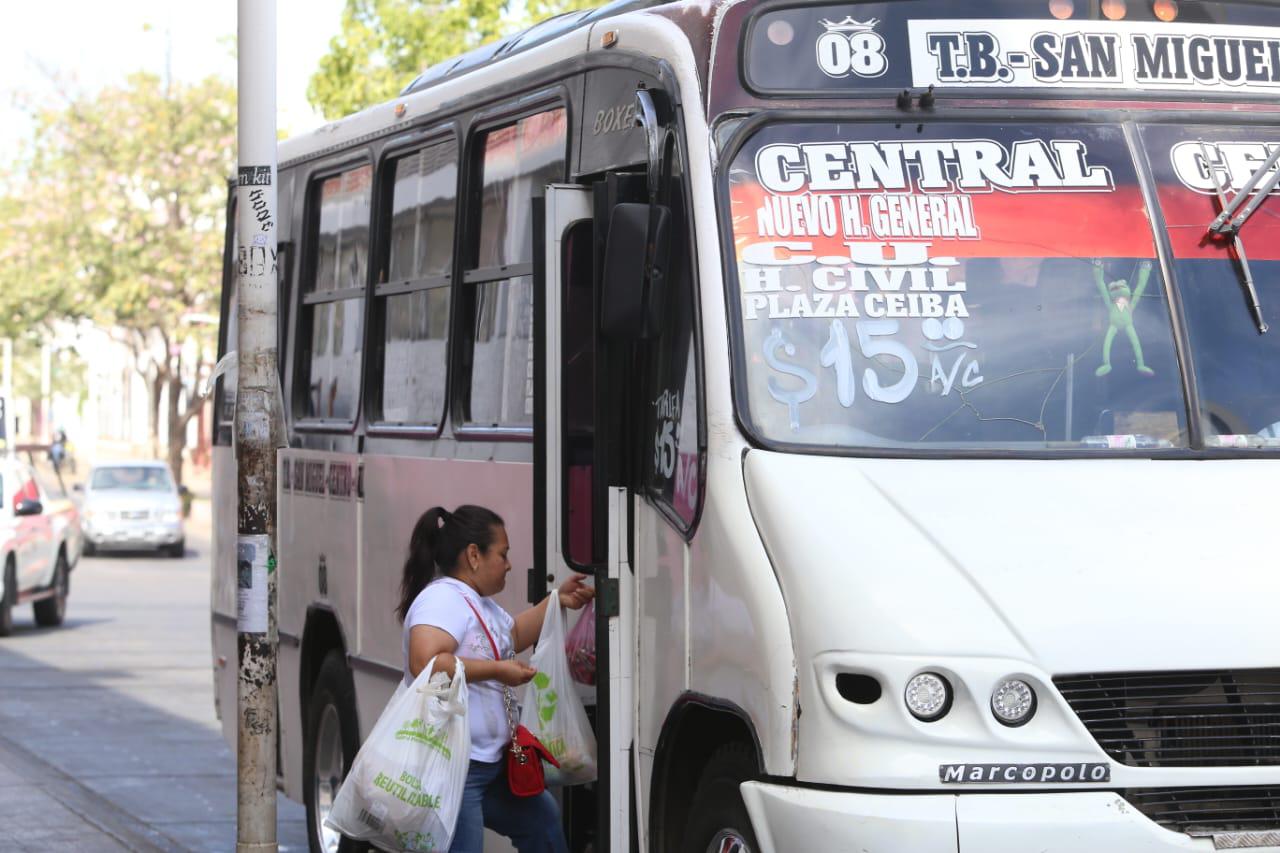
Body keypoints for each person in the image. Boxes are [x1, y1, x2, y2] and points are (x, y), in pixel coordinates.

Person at [397, 505, 594, 853]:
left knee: (544, 825)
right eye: (502, 554)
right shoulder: (442, 599)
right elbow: (424, 661)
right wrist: (499, 671)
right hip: (457, 770)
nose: (509, 564)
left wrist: (556, 601)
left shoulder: (478, 603)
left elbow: (511, 635)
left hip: (492, 765)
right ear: (474, 555)